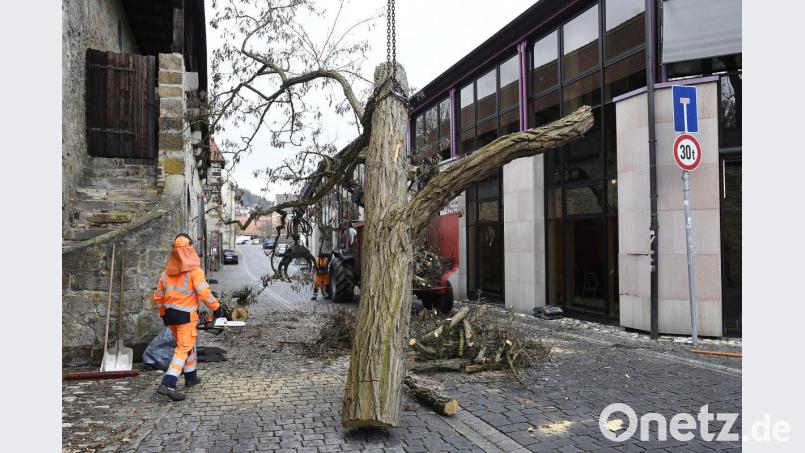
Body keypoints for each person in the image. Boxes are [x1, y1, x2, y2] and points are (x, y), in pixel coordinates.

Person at [153, 233, 224, 401]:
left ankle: (191, 377)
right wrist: (217, 308)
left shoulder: (165, 274)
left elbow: (158, 297)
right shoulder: (194, 271)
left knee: (187, 346)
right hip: (185, 316)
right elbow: (204, 294)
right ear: (191, 249)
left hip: (170, 316)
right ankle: (168, 383)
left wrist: (163, 314)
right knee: (183, 349)